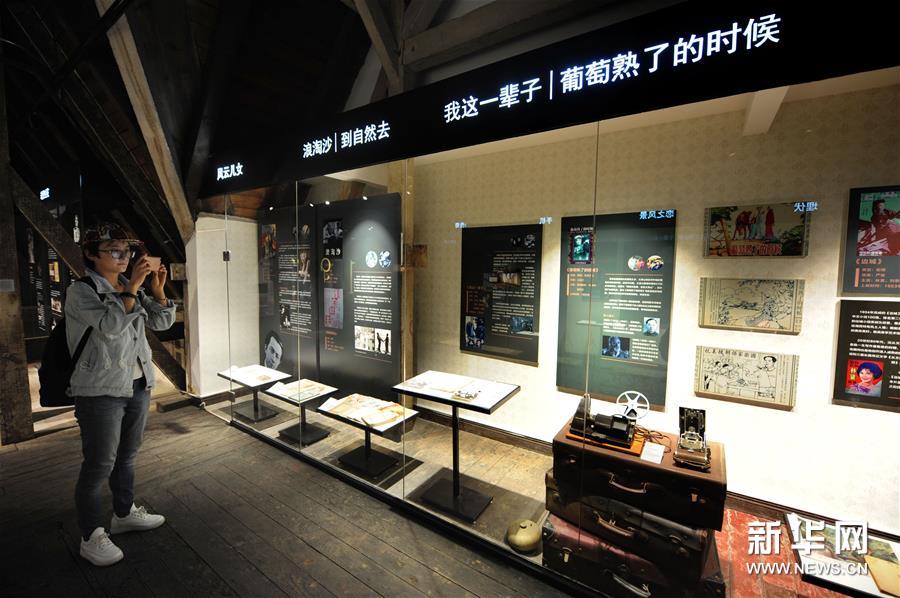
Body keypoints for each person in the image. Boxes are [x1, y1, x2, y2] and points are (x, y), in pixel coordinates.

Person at [66, 224, 175, 567]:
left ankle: (124, 514)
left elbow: (162, 323)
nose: (124, 256)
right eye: (114, 250)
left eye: (127, 251)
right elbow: (111, 326)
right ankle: (91, 535)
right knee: (100, 463)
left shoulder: (130, 287)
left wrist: (157, 291)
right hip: (99, 390)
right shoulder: (82, 291)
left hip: (137, 385)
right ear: (90, 254)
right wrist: (133, 288)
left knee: (127, 456)